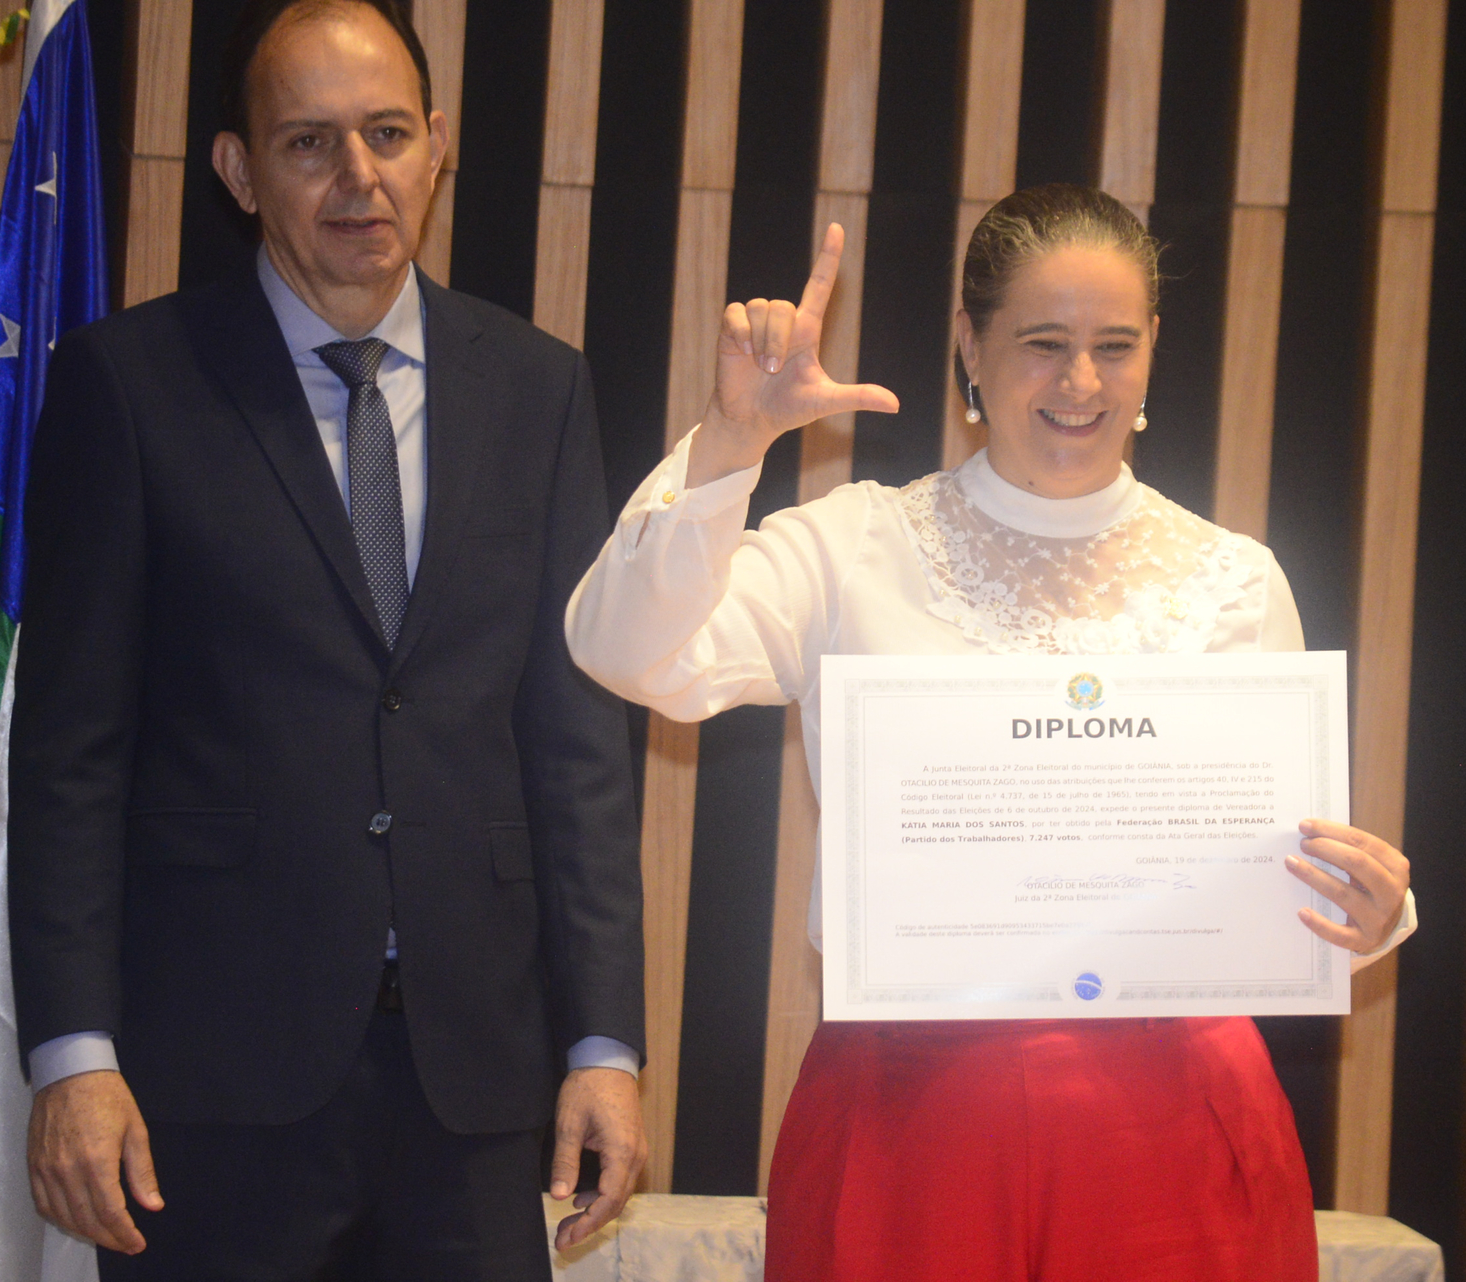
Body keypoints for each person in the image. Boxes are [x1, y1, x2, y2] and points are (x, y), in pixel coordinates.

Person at [565, 185, 1416, 1280]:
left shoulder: (1235, 579)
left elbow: (1292, 869)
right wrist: (734, 439)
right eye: (1043, 343)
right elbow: (625, 651)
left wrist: (1369, 909)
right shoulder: (853, 544)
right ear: (970, 343)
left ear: (1154, 348)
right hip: (912, 1121)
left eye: (1115, 345)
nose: (1080, 381)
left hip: (1179, 1125)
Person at [8, 1, 646, 1276]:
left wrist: (603, 1045)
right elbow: (72, 750)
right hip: (211, 1080)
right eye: (309, 143)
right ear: (240, 171)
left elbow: (575, 749)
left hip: (476, 1080)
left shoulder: (542, 389)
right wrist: (73, 1056)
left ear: (437, 147)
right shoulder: (128, 385)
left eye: (388, 134)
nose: (360, 175)